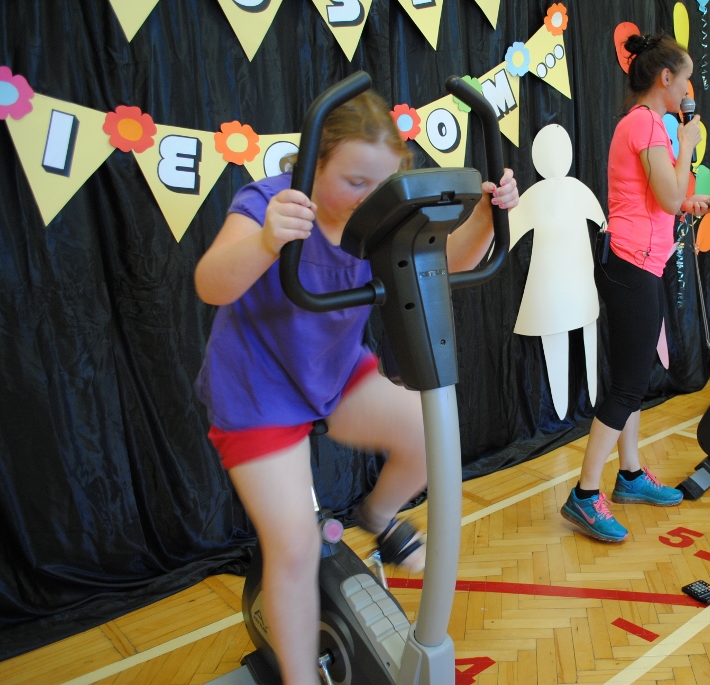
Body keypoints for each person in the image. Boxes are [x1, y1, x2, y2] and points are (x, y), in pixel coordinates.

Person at [193, 90, 519, 685]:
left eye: (380, 184)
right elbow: (210, 284)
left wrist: (485, 216)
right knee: (294, 547)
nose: (367, 197)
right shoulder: (271, 201)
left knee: (429, 436)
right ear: (314, 162)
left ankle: (379, 514)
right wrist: (266, 242)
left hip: (334, 374)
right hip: (257, 392)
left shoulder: (380, 220)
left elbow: (450, 264)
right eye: (353, 181)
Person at [560, 32, 710, 543]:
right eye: (686, 79)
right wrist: (688, 145)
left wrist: (689, 202)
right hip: (631, 264)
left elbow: (660, 198)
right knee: (629, 385)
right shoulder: (647, 123)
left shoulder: (644, 123)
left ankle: (629, 474)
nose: (689, 90)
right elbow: (669, 197)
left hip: (638, 262)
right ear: (665, 78)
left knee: (633, 376)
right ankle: (585, 494)